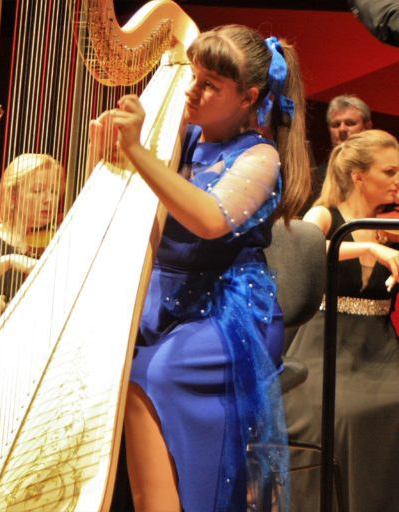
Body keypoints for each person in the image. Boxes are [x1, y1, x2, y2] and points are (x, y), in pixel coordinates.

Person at [90, 25, 310, 510]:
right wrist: (105, 149)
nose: (192, 90)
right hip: (163, 302)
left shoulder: (259, 157)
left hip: (228, 311)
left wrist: (137, 151)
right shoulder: (179, 137)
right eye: (193, 76)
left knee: (155, 373)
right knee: (109, 365)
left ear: (248, 97)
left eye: (210, 84)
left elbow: (209, 220)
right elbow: (118, 202)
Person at [284, 129, 399, 511]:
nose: (397, 180)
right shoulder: (326, 215)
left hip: (379, 347)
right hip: (325, 343)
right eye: (390, 172)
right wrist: (366, 246)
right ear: (359, 176)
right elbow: (300, 246)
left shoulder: (391, 225)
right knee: (341, 413)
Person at [0, 153, 65, 336]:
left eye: (54, 192)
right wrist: (9, 260)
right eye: (38, 191)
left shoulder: (63, 239)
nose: (49, 200)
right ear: (12, 196)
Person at [311, 95, 373, 202]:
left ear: (367, 126)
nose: (342, 129)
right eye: (336, 125)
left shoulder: (382, 166)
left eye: (350, 123)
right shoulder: (316, 178)